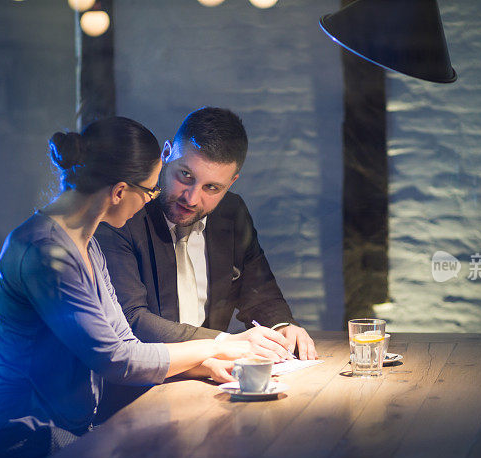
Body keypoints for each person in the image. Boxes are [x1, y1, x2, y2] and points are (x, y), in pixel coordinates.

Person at [0, 117, 265, 458]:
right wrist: (223, 346)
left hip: (68, 433)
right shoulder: (44, 253)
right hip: (25, 445)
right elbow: (116, 360)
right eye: (149, 193)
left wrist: (205, 364)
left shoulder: (87, 243)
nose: (150, 201)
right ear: (119, 191)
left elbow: (126, 341)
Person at [94, 107, 317, 360]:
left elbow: (259, 292)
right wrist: (224, 342)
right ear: (166, 153)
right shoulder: (126, 214)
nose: (191, 198)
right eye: (186, 175)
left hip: (213, 378)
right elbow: (131, 320)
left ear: (231, 182)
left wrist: (283, 327)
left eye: (212, 187)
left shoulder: (232, 212)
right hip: (148, 380)